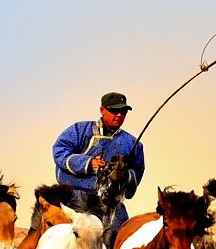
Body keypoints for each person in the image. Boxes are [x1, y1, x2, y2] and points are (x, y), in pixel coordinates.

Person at [51, 91, 145, 238]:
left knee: (122, 233)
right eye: (114, 110)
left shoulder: (133, 144)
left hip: (110, 201)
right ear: (102, 110)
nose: (119, 115)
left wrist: (126, 175)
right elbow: (59, 150)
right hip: (76, 196)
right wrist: (88, 163)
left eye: (123, 111)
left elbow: (138, 170)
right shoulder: (79, 130)